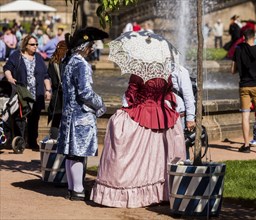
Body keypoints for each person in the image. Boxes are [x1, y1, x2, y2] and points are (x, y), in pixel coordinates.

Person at [91, 70, 186, 207]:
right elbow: (169, 95)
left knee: (134, 156)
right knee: (159, 158)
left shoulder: (139, 73)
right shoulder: (167, 74)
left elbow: (130, 96)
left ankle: (132, 194)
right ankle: (161, 193)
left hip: (141, 113)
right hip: (163, 116)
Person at [56, 27, 108, 201]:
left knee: (71, 153)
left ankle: (72, 189)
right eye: (91, 44)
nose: (93, 47)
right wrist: (100, 103)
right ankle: (78, 189)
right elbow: (85, 93)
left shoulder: (69, 61)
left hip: (69, 114)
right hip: (81, 115)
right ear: (84, 46)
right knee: (78, 153)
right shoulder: (81, 64)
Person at [3, 34, 52, 150]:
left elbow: (46, 75)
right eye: (32, 44)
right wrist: (10, 78)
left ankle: (32, 141)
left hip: (37, 94)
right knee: (20, 118)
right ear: (25, 45)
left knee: (34, 119)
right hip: (22, 93)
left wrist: (48, 90)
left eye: (36, 44)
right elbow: (7, 68)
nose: (35, 46)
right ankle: (20, 141)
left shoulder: (39, 57)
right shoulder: (17, 56)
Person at [231, 28, 256, 153]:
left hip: (244, 86)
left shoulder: (238, 49)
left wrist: (242, 67)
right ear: (254, 37)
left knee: (245, 115)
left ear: (244, 38)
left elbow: (232, 70)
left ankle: (246, 145)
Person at [171, 65, 196, 159]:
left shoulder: (179, 70)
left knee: (181, 145)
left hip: (179, 115)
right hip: (164, 115)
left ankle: (185, 168)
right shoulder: (158, 70)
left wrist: (190, 118)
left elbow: (188, 95)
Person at [47, 41, 67, 135]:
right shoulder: (65, 62)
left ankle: (53, 140)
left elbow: (51, 77)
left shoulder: (52, 61)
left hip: (55, 96)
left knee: (55, 120)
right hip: (63, 96)